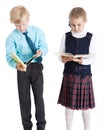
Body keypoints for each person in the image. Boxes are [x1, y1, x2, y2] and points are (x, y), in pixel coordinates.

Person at [5, 5, 48, 130]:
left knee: (39, 97)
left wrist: (41, 51)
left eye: (23, 24)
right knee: (24, 98)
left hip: (37, 67)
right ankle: (27, 126)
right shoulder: (12, 37)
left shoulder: (38, 31)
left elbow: (44, 46)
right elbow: (9, 55)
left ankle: (41, 125)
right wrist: (16, 65)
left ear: (28, 19)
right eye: (17, 25)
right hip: (22, 68)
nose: (21, 28)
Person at [57, 7, 96, 130]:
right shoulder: (66, 36)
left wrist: (81, 60)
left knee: (86, 107)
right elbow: (61, 55)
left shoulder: (91, 37)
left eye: (79, 25)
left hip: (84, 76)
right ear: (69, 22)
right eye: (72, 25)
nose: (76, 28)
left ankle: (87, 128)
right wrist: (64, 59)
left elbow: (93, 58)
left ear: (85, 21)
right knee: (69, 106)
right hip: (69, 75)